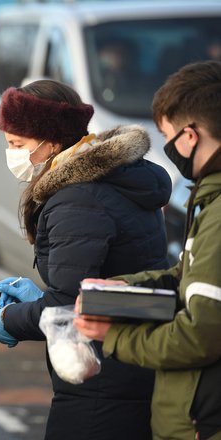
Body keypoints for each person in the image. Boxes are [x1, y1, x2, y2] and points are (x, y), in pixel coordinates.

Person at [0, 79, 172, 439]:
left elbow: (72, 304)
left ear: (50, 141)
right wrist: (40, 298)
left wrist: (11, 318)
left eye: (17, 144)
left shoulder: (78, 199)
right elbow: (103, 285)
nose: (11, 154)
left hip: (101, 378)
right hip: (128, 366)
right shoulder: (112, 179)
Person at [74, 61, 221, 440]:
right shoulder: (209, 197)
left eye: (167, 135)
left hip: (201, 423)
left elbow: (200, 335)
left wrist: (114, 337)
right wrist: (120, 289)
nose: (167, 147)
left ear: (190, 135)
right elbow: (190, 280)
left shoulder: (219, 208)